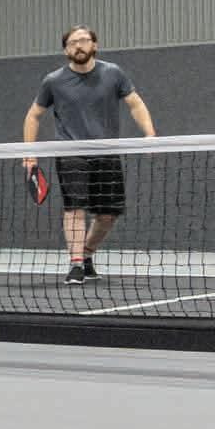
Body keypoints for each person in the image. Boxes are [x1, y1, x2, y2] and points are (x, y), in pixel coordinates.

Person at [21, 25, 157, 282]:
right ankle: (75, 265)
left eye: (84, 40)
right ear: (66, 50)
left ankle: (86, 254)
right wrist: (29, 154)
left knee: (108, 215)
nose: (79, 45)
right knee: (75, 208)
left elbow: (135, 103)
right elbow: (33, 115)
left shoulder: (113, 73)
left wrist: (150, 134)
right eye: (72, 42)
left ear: (94, 45)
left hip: (106, 153)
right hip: (70, 152)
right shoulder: (53, 81)